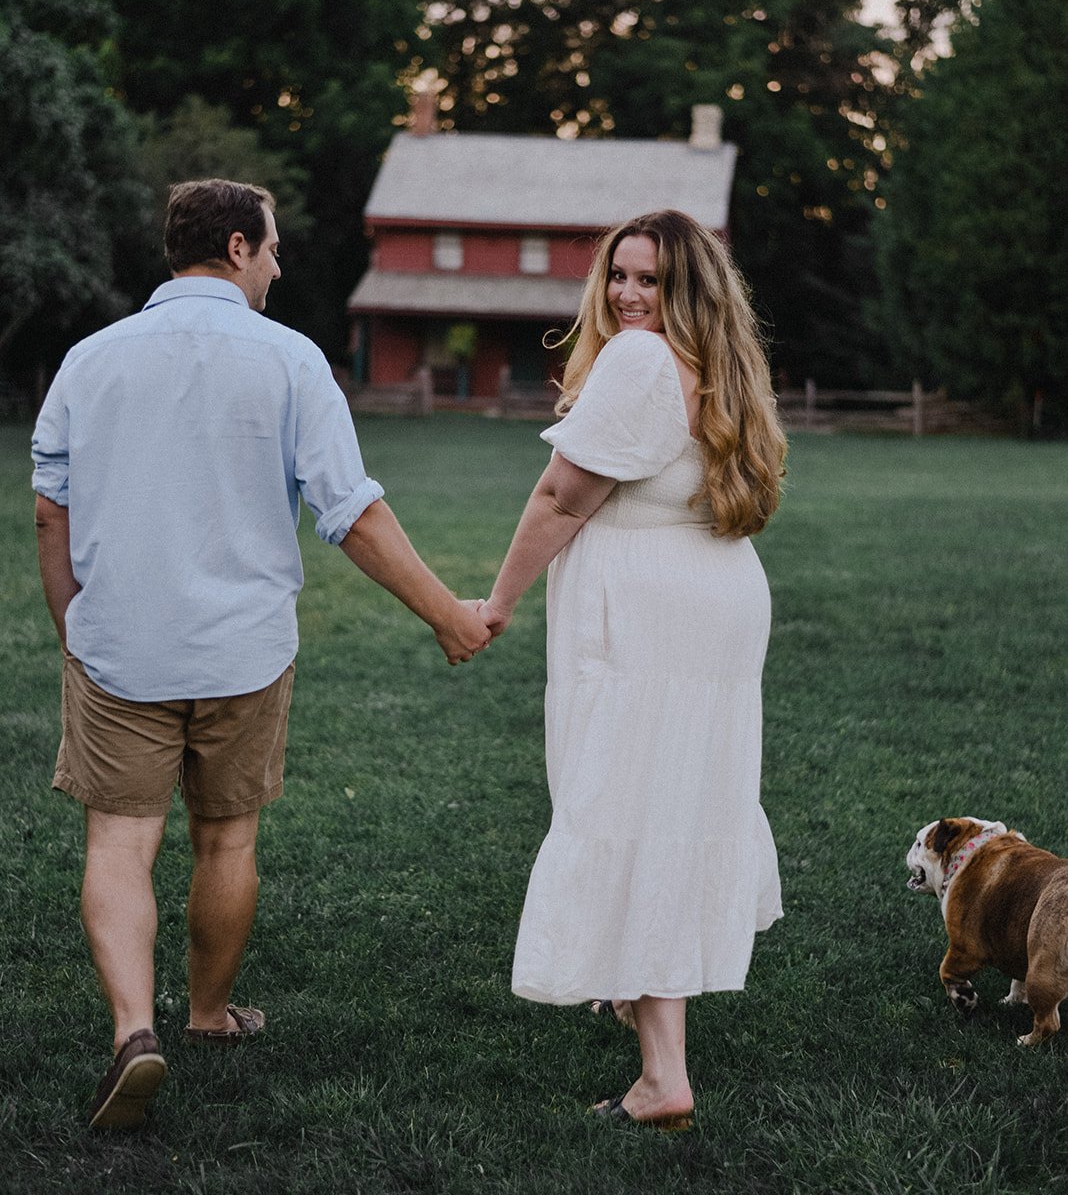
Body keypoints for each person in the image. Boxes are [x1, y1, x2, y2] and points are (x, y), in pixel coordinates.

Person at [32, 178, 490, 1131]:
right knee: (225, 839)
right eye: (274, 249)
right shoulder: (289, 361)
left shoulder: (89, 360)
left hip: (120, 644)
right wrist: (447, 614)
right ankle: (207, 1014)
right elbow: (350, 513)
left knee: (121, 841)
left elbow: (49, 506)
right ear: (238, 247)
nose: (279, 267)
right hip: (243, 652)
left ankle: (131, 1031)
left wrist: (74, 622)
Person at [478, 209, 785, 1130]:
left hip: (648, 606)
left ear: (684, 289)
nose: (626, 295)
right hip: (716, 592)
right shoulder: (724, 366)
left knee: (629, 801)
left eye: (649, 280)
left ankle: (662, 1077)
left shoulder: (641, 360)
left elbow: (562, 497)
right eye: (619, 275)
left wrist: (494, 604)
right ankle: (635, 985)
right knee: (676, 795)